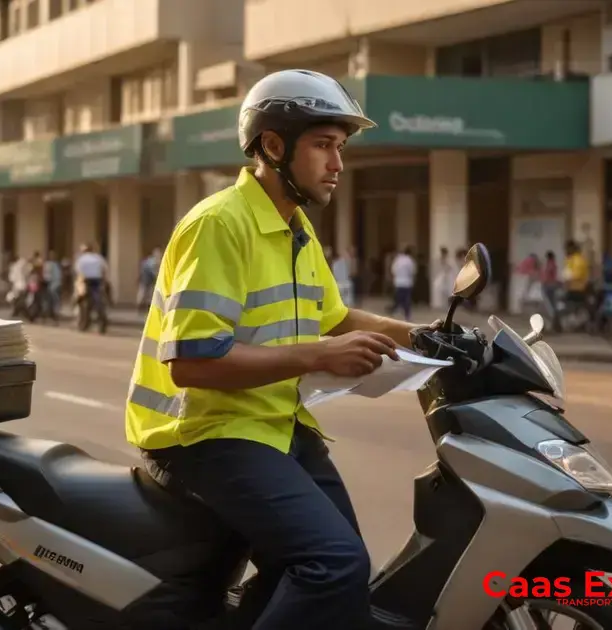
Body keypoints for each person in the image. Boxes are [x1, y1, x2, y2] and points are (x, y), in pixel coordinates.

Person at [124, 69, 438, 630]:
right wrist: (317, 356)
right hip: (202, 433)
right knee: (333, 564)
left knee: (343, 570)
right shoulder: (221, 224)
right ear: (272, 145)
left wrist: (425, 335)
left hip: (272, 425)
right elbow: (192, 361)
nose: (337, 164)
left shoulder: (293, 228)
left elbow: (336, 318)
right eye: (322, 146)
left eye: (339, 147)